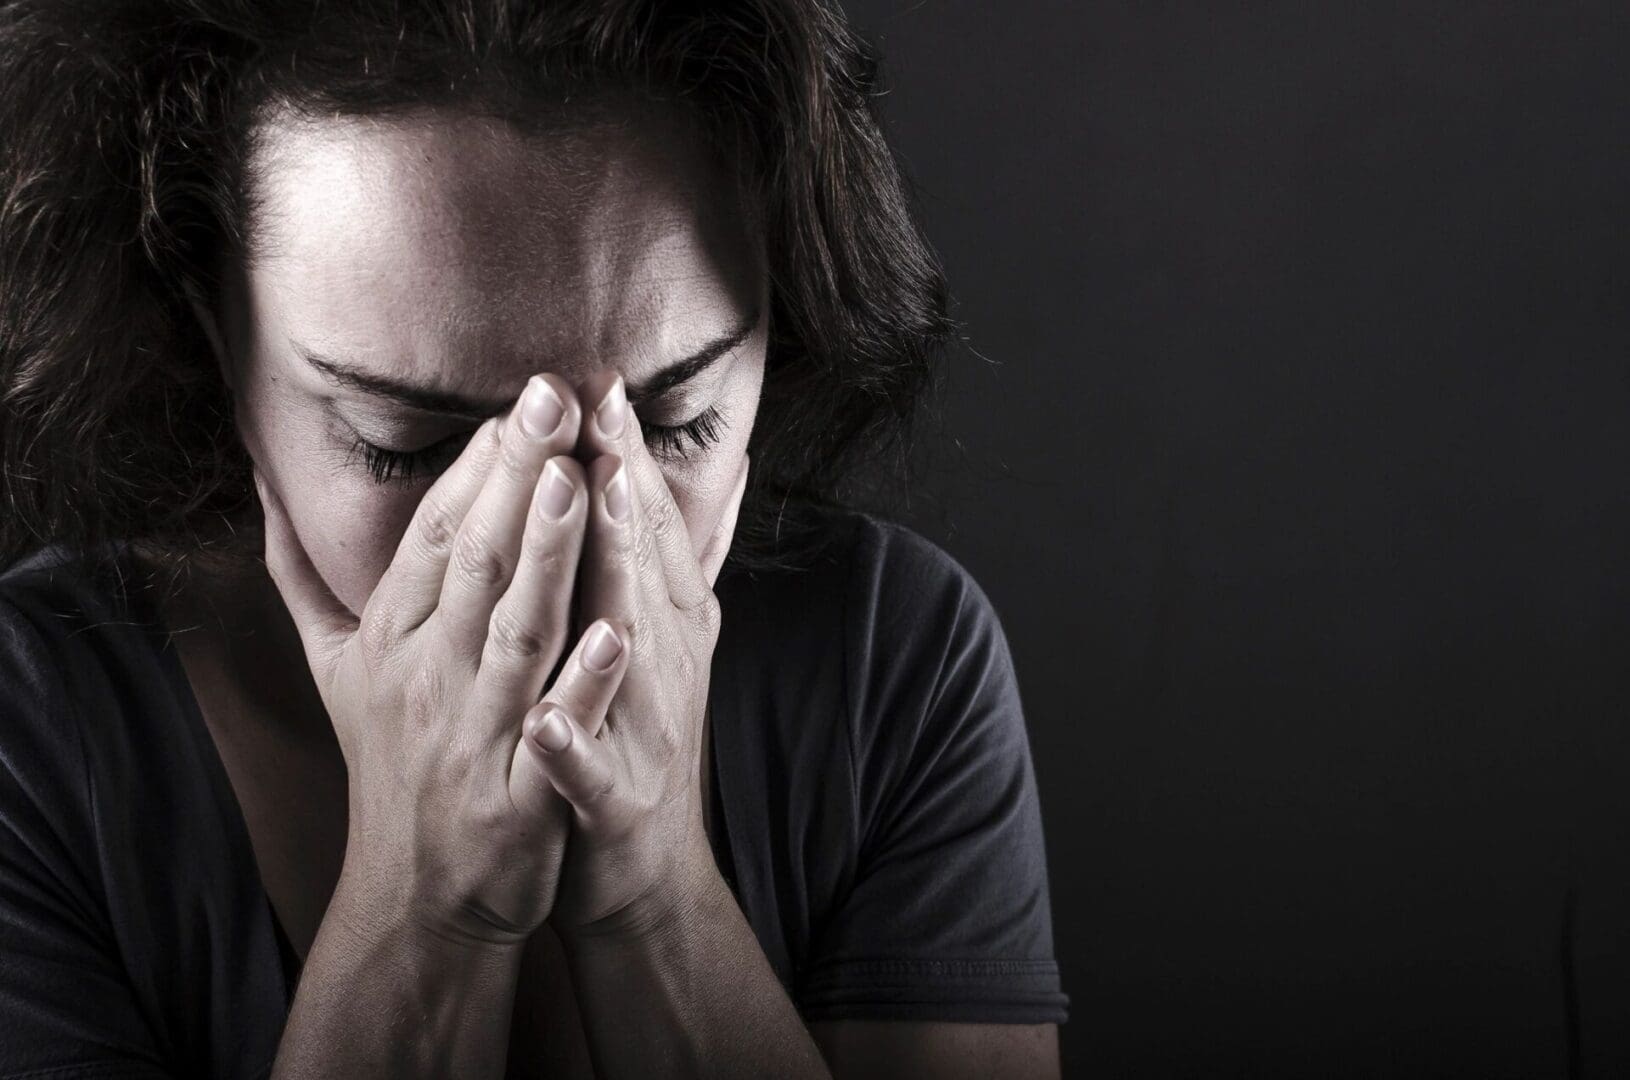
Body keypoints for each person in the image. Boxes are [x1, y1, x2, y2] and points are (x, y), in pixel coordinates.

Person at [0, 1, 1068, 1075]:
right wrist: (424, 911)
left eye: (674, 421)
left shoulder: (892, 657)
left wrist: (657, 901)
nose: (547, 537)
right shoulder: (35, 728)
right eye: (403, 444)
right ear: (211, 331)